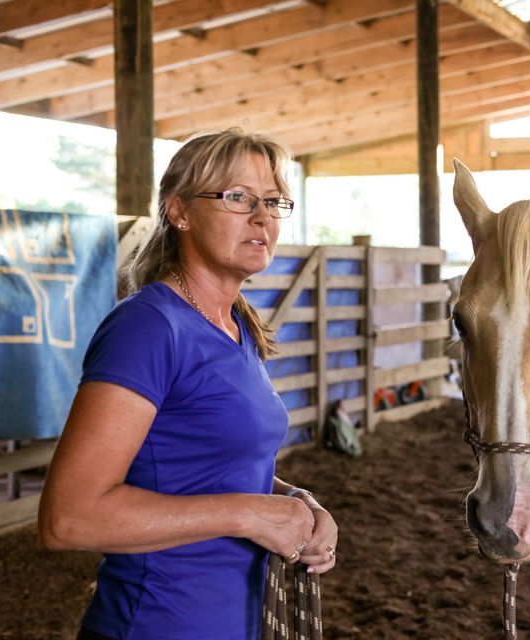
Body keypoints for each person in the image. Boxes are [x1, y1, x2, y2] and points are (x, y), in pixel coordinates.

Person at [38, 127, 338, 640]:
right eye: (238, 198)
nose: (262, 217)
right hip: (159, 624)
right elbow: (69, 518)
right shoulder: (149, 327)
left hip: (238, 621)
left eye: (272, 201)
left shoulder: (235, 324)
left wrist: (298, 504)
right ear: (179, 212)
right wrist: (247, 514)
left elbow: (206, 468)